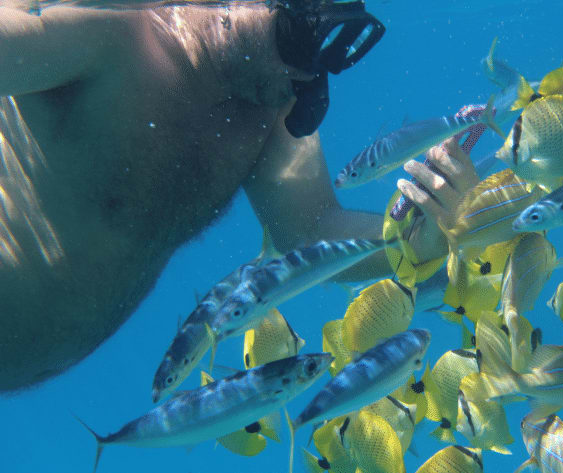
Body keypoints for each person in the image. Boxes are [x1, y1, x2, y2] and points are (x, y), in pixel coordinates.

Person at [0, 0, 479, 392]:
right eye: (295, 35)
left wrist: (420, 241)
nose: (304, 79)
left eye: (323, 56)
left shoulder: (271, 107)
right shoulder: (110, 33)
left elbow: (310, 231)